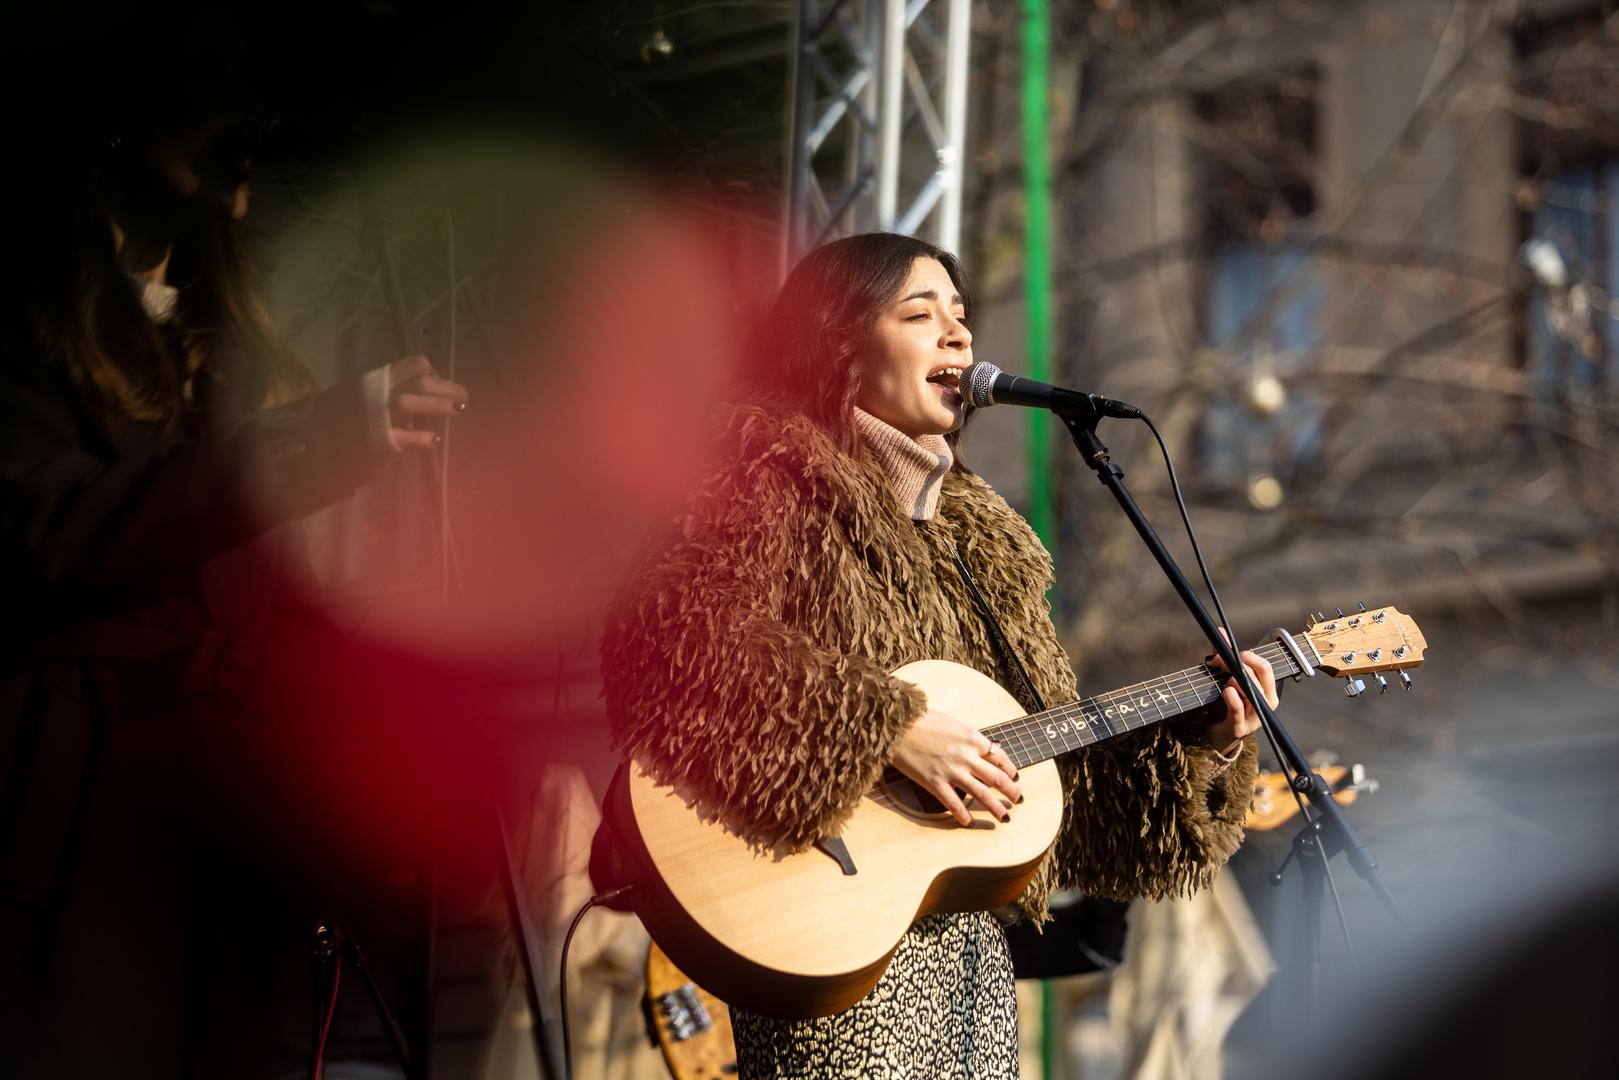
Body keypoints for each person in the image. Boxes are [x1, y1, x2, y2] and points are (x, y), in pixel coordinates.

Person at [601, 232, 1277, 1076]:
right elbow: (666, 636)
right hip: (822, 921)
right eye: (920, 314)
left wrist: (1200, 740)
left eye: (961, 315)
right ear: (836, 342)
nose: (958, 335)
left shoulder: (982, 539)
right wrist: (889, 729)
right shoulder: (762, 474)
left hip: (970, 955)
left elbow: (1054, 788)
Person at [0, 46, 468, 1078]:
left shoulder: (227, 352)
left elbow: (264, 600)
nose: (253, 113)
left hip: (211, 851)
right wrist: (306, 444)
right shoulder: (22, 321)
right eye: (220, 77)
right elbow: (57, 531)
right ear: (124, 107)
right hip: (69, 830)